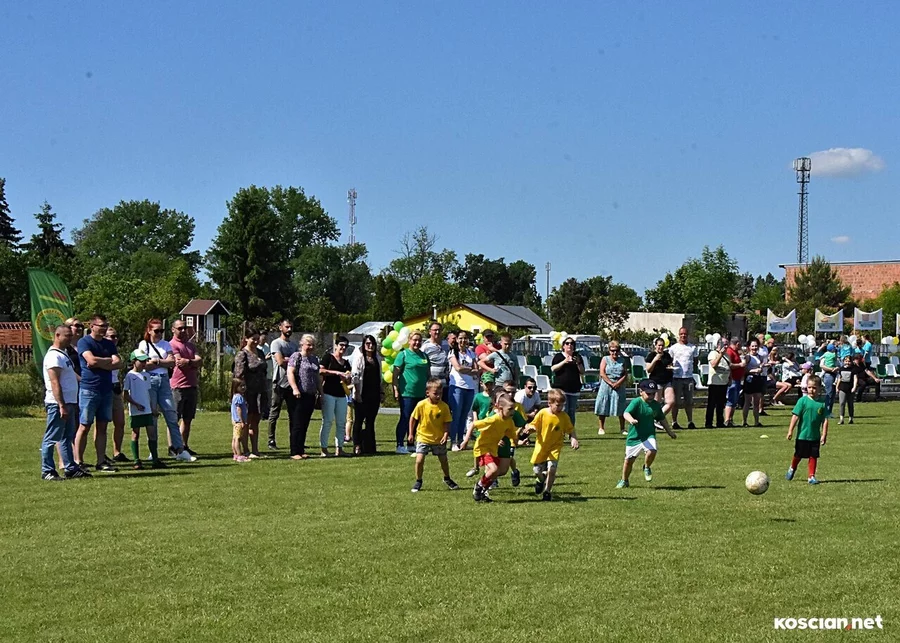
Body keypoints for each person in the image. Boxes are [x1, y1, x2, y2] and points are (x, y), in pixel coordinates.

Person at [138, 319, 196, 463]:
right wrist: (161, 362)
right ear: (149, 331)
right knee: (153, 416)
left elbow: (172, 362)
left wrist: (156, 361)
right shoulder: (144, 344)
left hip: (164, 380)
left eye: (161, 331)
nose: (159, 333)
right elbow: (143, 364)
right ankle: (153, 452)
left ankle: (180, 450)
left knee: (171, 415)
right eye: (156, 331)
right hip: (150, 381)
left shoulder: (165, 344)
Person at [74, 314, 122, 472]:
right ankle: (78, 462)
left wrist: (99, 362)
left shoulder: (109, 344)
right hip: (89, 389)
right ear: (92, 326)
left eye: (105, 325)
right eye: (101, 326)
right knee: (84, 426)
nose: (104, 328)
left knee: (102, 427)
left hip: (106, 389)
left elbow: (118, 363)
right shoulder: (84, 342)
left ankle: (101, 461)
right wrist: (106, 361)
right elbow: (91, 360)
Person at [41, 325, 88, 480]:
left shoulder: (63, 354)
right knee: (52, 437)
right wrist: (61, 405)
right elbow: (54, 382)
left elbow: (70, 376)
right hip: (58, 404)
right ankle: (47, 470)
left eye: (70, 335)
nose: (70, 338)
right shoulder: (53, 356)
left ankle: (70, 468)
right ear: (57, 335)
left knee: (67, 437)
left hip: (70, 401)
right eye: (66, 335)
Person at [617, 380, 677, 488]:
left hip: (648, 435)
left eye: (653, 393)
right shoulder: (636, 402)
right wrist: (631, 420)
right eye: (648, 393)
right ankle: (624, 480)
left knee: (652, 450)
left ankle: (647, 467)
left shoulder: (655, 405)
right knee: (629, 461)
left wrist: (669, 432)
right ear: (641, 392)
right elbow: (626, 413)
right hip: (634, 437)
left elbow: (662, 419)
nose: (651, 396)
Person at [524, 388, 579, 501]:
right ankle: (540, 479)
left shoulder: (564, 416)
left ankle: (547, 491)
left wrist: (573, 438)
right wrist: (530, 429)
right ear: (549, 403)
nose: (560, 408)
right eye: (558, 405)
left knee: (552, 468)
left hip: (555, 447)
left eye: (562, 405)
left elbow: (570, 429)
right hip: (542, 446)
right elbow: (533, 425)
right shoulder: (543, 413)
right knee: (537, 470)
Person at [408, 378, 460, 493]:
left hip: (438, 438)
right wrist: (411, 433)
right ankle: (418, 481)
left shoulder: (444, 407)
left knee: (443, 460)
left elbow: (447, 422)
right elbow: (413, 418)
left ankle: (447, 478)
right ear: (428, 393)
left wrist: (445, 435)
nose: (438, 396)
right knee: (419, 460)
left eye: (440, 393)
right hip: (423, 437)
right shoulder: (421, 405)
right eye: (435, 393)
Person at [470, 394, 519, 503]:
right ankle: (479, 486)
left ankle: (482, 492)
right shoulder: (493, 419)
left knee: (497, 472)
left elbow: (512, 434)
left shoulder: (509, 421)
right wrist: (465, 441)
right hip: (484, 448)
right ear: (500, 408)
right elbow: (474, 424)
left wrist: (516, 441)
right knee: (494, 470)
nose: (513, 412)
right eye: (510, 409)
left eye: (513, 409)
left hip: (493, 449)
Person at [786, 375, 829, 485]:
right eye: (809, 387)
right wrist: (790, 431)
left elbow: (825, 420)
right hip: (802, 435)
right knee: (798, 455)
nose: (811, 390)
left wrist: (824, 434)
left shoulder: (822, 403)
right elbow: (795, 416)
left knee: (813, 455)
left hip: (815, 436)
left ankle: (811, 476)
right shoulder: (802, 401)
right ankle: (792, 467)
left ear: (819, 389)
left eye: (814, 388)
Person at [392, 331, 430, 454]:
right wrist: (396, 390)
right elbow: (395, 374)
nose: (417, 342)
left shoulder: (424, 356)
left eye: (419, 340)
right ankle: (399, 445)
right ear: (409, 341)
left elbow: (428, 374)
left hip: (421, 394)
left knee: (417, 419)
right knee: (405, 418)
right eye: (414, 340)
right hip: (407, 393)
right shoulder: (403, 354)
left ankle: (411, 444)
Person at [232, 327, 268, 458]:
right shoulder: (242, 354)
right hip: (247, 393)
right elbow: (238, 375)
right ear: (246, 339)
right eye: (253, 339)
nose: (256, 341)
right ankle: (245, 450)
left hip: (260, 391)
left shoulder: (260, 352)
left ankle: (255, 450)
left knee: (256, 422)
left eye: (258, 339)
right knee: (246, 422)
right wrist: (240, 393)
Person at [169, 320, 202, 455]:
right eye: (180, 328)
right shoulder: (172, 345)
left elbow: (199, 360)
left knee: (187, 419)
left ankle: (184, 445)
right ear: (173, 329)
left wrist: (189, 361)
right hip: (177, 386)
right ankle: (172, 447)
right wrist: (192, 363)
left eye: (184, 328)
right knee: (174, 419)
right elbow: (179, 362)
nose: (183, 331)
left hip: (191, 385)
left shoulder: (190, 345)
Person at [287, 334, 322, 460]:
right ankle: (294, 451)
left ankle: (301, 450)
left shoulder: (314, 359)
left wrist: (321, 392)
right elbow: (290, 372)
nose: (311, 347)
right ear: (302, 344)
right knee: (297, 423)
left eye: (313, 345)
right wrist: (295, 388)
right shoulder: (296, 356)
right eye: (308, 344)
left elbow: (317, 377)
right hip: (299, 395)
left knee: (305, 423)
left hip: (311, 395)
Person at [122, 351, 156, 470]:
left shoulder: (146, 375)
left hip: (147, 409)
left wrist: (152, 407)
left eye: (145, 361)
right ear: (134, 361)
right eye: (141, 361)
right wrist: (136, 404)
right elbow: (125, 395)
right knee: (135, 434)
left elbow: (148, 393)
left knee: (151, 433)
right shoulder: (130, 376)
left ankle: (155, 459)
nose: (143, 363)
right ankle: (136, 460)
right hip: (136, 410)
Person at [318, 336, 352, 457]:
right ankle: (324, 449)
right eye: (341, 345)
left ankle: (340, 448)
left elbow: (348, 380)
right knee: (327, 421)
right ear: (336, 345)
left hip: (342, 395)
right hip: (328, 393)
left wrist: (347, 378)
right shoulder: (328, 357)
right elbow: (321, 371)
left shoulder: (346, 363)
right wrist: (336, 373)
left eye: (345, 346)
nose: (343, 348)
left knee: (341, 422)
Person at [266, 319, 297, 450]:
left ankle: (294, 440)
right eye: (287, 327)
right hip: (278, 382)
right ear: (280, 328)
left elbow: (299, 361)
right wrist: (291, 360)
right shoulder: (276, 343)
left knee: (293, 414)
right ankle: (271, 439)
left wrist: (288, 360)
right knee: (274, 412)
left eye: (291, 327)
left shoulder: (294, 345)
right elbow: (280, 362)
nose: (289, 329)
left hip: (292, 383)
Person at [350, 334, 382, 455]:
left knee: (370, 421)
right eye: (368, 343)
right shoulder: (359, 358)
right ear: (363, 345)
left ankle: (369, 446)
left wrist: (381, 391)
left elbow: (379, 376)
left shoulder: (377, 358)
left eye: (372, 344)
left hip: (374, 394)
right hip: (362, 393)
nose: (370, 346)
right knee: (359, 420)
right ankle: (357, 445)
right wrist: (357, 393)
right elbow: (355, 376)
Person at [447, 330, 478, 450]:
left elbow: (476, 370)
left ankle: (461, 440)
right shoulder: (453, 352)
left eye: (465, 338)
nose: (463, 341)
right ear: (456, 339)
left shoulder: (471, 353)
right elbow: (458, 368)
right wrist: (469, 370)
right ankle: (453, 441)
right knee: (456, 414)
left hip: (469, 387)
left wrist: (467, 370)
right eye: (460, 338)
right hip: (457, 387)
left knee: (464, 415)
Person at [105, 326, 129, 464]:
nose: (114, 339)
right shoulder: (101, 351)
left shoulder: (116, 352)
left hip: (115, 387)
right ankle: (102, 454)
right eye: (111, 336)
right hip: (104, 387)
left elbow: (119, 364)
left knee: (120, 422)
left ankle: (117, 452)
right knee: (102, 423)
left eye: (115, 336)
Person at [594, 341, 628, 435]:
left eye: (616, 350)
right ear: (609, 350)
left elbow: (625, 374)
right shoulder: (605, 359)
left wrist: (618, 383)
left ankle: (622, 428)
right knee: (603, 404)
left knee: (621, 405)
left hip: (619, 384)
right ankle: (601, 428)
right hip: (606, 384)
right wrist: (611, 383)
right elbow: (602, 373)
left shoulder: (622, 360)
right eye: (612, 350)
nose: (614, 352)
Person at [668, 327, 698, 430]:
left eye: (685, 334)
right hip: (677, 378)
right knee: (676, 402)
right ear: (679, 335)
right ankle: (674, 422)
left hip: (688, 378)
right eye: (681, 334)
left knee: (689, 401)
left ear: (687, 335)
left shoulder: (692, 348)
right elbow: (670, 361)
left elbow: (695, 361)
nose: (683, 336)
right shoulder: (673, 348)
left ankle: (690, 421)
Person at [550, 337, 584, 425]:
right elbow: (553, 368)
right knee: (563, 410)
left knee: (571, 412)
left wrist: (578, 362)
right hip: (561, 389)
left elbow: (582, 371)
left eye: (572, 343)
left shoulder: (577, 356)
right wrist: (564, 362)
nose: (570, 345)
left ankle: (570, 430)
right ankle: (561, 430)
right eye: (567, 343)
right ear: (563, 346)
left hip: (574, 389)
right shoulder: (558, 356)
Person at [421, 322, 450, 402]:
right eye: (435, 330)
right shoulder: (425, 346)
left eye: (439, 330)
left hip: (444, 384)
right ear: (430, 332)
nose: (437, 332)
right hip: (432, 385)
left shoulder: (446, 344)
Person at [646, 337, 675, 415]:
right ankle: (655, 418)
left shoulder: (667, 355)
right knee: (656, 403)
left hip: (667, 381)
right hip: (656, 381)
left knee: (671, 401)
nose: (661, 347)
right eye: (659, 345)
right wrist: (655, 360)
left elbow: (669, 365)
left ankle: (659, 416)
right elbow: (648, 370)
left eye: (662, 345)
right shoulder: (651, 355)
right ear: (655, 346)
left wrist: (671, 367)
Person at [705, 339, 730, 428]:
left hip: (724, 382)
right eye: (724, 344)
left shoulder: (727, 355)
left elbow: (728, 367)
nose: (726, 346)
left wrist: (730, 378)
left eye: (727, 344)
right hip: (715, 383)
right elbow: (714, 364)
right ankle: (709, 423)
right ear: (719, 344)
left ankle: (720, 422)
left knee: (721, 404)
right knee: (712, 404)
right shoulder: (713, 353)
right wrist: (720, 354)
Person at [723, 337, 746, 427]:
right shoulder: (730, 352)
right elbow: (729, 365)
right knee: (731, 400)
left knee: (734, 400)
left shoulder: (736, 352)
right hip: (732, 379)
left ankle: (730, 419)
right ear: (737, 344)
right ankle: (727, 420)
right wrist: (740, 365)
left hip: (737, 379)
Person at [741, 340, 764, 427]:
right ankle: (744, 421)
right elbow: (744, 369)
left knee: (756, 402)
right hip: (749, 380)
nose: (754, 348)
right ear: (749, 347)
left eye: (756, 346)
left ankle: (756, 422)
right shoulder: (747, 357)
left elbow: (761, 366)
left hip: (757, 379)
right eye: (753, 346)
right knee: (747, 402)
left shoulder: (760, 357)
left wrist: (760, 369)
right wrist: (753, 371)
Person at [231, 379, 250, 463]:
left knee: (235, 438)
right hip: (239, 421)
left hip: (235, 421)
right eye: (241, 386)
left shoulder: (234, 396)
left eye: (244, 385)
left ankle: (235, 454)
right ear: (235, 387)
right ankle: (239, 455)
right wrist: (242, 421)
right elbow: (239, 410)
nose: (243, 387)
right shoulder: (239, 397)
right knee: (238, 438)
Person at [818, 343, 839, 414]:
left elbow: (839, 365)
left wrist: (837, 368)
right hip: (828, 375)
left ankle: (829, 411)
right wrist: (831, 369)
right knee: (829, 393)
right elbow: (822, 365)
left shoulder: (834, 356)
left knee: (833, 395)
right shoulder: (825, 357)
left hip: (834, 374)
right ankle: (826, 411)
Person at [836, 356, 858, 425]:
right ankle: (841, 418)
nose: (847, 363)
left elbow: (855, 378)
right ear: (843, 362)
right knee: (842, 403)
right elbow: (839, 378)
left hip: (850, 388)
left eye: (849, 361)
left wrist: (854, 387)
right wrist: (837, 387)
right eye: (846, 361)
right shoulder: (841, 369)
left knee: (850, 404)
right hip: (842, 388)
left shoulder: (853, 369)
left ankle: (851, 418)